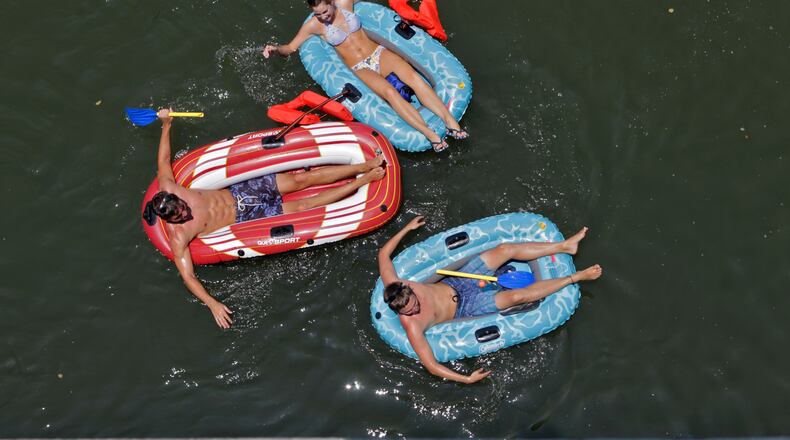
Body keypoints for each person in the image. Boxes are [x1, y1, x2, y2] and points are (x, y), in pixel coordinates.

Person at [146, 109, 385, 328]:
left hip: (243, 191)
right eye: (180, 216)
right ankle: (362, 181)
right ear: (172, 220)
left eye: (182, 207)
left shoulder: (171, 187)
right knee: (304, 205)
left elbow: (164, 161)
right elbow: (188, 276)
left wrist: (166, 124)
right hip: (248, 215)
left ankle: (363, 166)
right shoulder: (180, 235)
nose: (185, 212)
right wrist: (212, 303)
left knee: (301, 181)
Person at [377, 215, 603, 384]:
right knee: (516, 296)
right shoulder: (412, 325)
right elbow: (432, 366)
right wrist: (466, 379)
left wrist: (407, 228)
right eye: (409, 310)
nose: (414, 309)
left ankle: (565, 246)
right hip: (466, 307)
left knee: (504, 249)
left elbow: (383, 255)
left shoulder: (395, 283)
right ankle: (576, 277)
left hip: (457, 282)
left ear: (407, 287)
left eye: (414, 302)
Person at [262, 0, 468, 152]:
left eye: (325, 11)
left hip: (378, 53)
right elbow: (290, 47)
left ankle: (449, 121)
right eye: (317, 14)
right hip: (360, 66)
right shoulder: (313, 26)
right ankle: (429, 134)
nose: (323, 17)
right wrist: (275, 49)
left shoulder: (345, 3)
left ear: (332, 3)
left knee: (412, 77)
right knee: (389, 92)